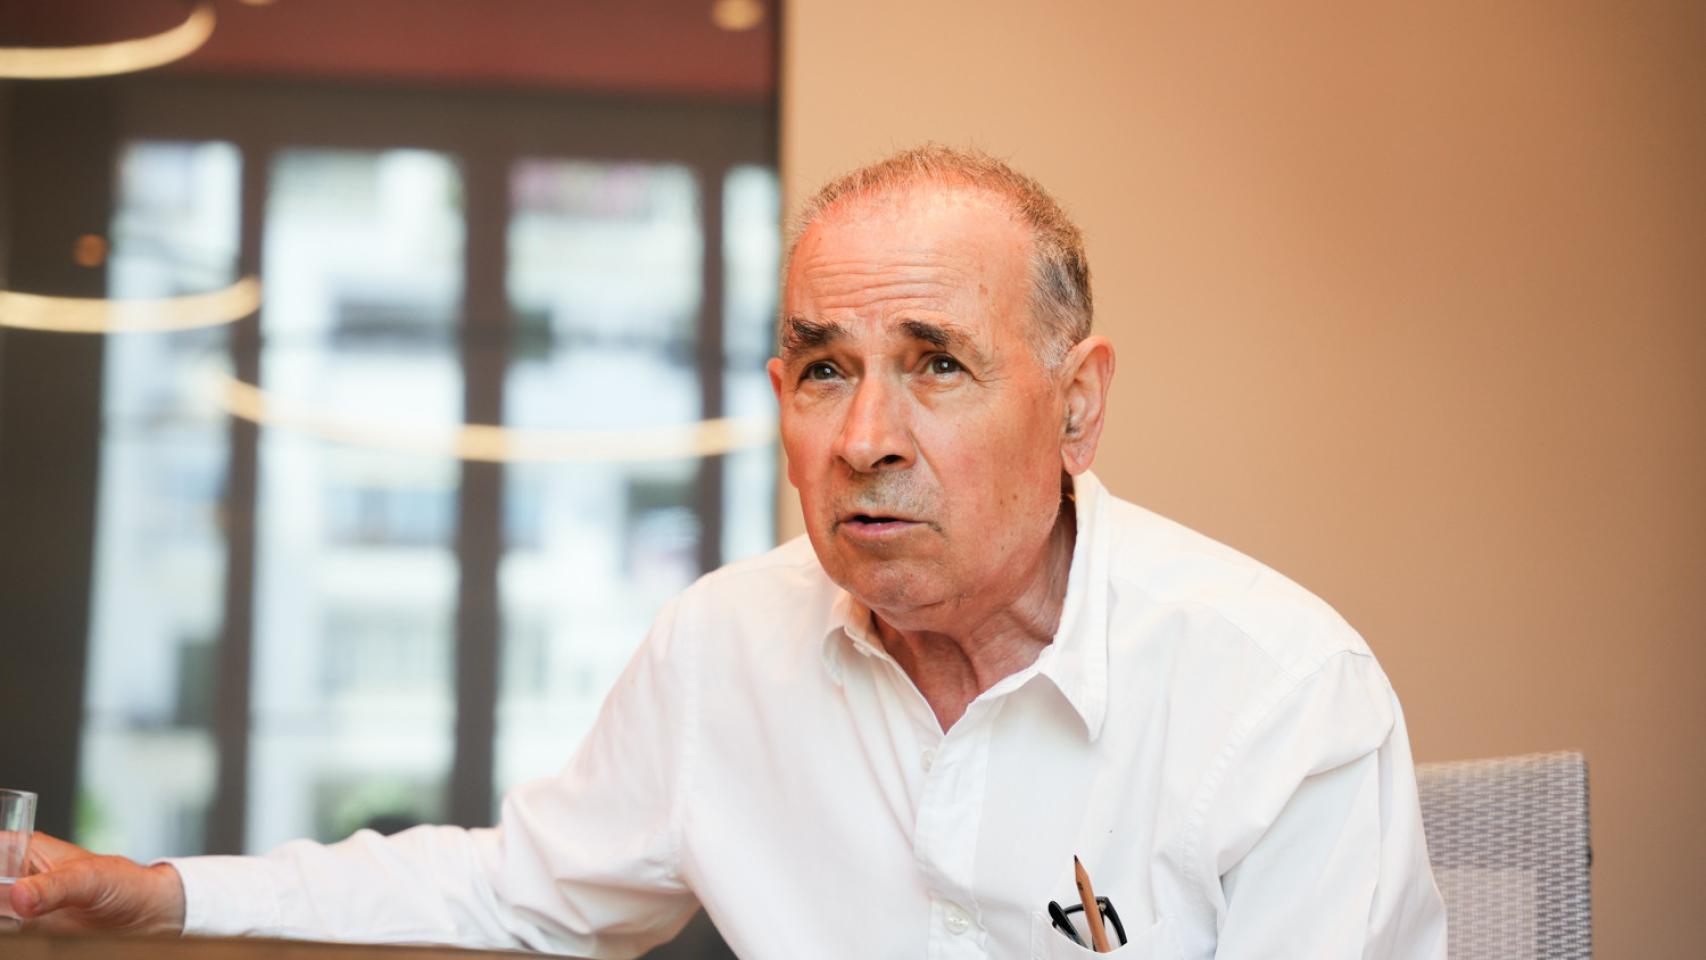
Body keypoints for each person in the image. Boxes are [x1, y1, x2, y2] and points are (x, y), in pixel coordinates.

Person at [10, 146, 1447, 958]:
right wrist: (165, 892)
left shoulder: (1277, 692)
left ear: (1075, 404)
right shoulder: (726, 644)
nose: (865, 437)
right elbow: (516, 888)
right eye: (824, 371)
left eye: (937, 364)